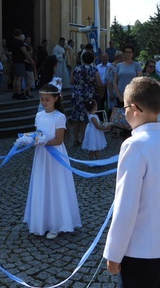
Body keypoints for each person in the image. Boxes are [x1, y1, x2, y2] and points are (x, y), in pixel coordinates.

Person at [104, 77, 160, 288]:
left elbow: (126, 205)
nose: (124, 113)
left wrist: (114, 253)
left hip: (140, 250)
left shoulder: (134, 145)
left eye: (125, 108)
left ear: (135, 109)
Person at [23, 84, 81, 239]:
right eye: (42, 99)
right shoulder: (39, 116)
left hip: (55, 155)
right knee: (42, 184)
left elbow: (58, 139)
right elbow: (37, 133)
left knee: (56, 186)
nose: (44, 102)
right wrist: (31, 139)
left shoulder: (59, 117)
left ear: (56, 99)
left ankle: (57, 224)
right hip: (41, 156)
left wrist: (42, 142)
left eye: (47, 99)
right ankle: (40, 222)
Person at [69, 51, 102, 146]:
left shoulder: (76, 69)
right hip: (88, 95)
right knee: (85, 117)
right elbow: (99, 83)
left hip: (77, 94)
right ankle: (83, 139)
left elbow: (71, 81)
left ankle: (75, 139)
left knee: (76, 117)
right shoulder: (94, 70)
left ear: (82, 59)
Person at [10, 29, 33, 100]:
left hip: (14, 61)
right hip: (20, 62)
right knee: (19, 78)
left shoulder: (13, 42)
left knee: (16, 78)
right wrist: (31, 60)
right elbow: (25, 52)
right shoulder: (20, 42)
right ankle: (19, 94)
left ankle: (15, 93)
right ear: (20, 35)